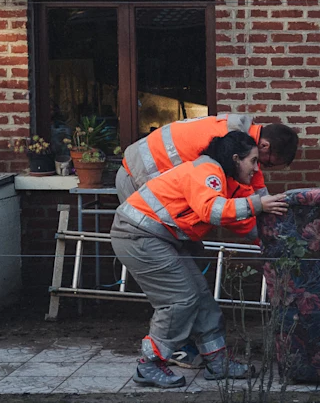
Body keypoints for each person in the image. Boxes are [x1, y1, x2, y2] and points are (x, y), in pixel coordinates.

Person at [114, 114, 298, 369]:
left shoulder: (230, 151)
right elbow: (215, 210)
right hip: (141, 220)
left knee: (198, 294)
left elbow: (246, 200)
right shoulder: (209, 169)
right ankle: (153, 361)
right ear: (240, 158)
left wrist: (268, 234)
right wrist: (260, 212)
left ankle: (215, 359)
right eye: (257, 162)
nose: (259, 169)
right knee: (181, 297)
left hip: (154, 225)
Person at [115, 114, 299, 203]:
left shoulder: (241, 136)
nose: (260, 168)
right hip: (138, 177)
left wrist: (267, 203)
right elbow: (238, 191)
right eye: (267, 163)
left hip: (141, 171)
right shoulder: (229, 143)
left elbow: (255, 185)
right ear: (264, 146)